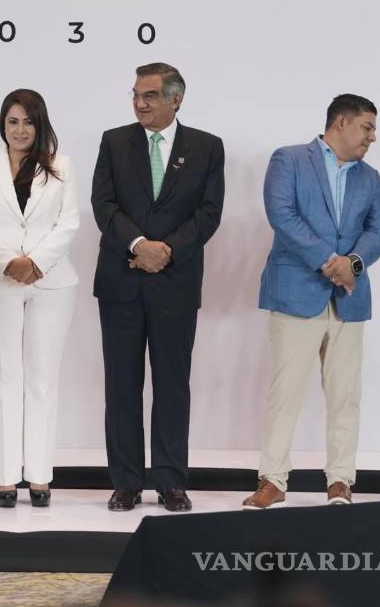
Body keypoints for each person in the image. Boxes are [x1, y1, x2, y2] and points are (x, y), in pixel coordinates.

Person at [242, 94, 380, 509]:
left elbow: (378, 230)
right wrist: (330, 263)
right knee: (285, 391)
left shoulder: (370, 177)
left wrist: (354, 263)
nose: (372, 137)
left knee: (346, 394)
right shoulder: (288, 160)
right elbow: (282, 215)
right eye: (367, 127)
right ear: (340, 123)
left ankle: (340, 481)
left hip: (350, 299)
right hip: (295, 292)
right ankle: (273, 480)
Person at [91, 62, 224, 512]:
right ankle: (126, 481)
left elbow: (209, 213)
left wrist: (166, 249)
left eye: (149, 95)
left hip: (176, 282)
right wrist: (138, 243)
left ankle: (170, 481)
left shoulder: (207, 147)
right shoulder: (114, 141)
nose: (139, 103)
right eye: (135, 94)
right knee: (121, 386)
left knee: (172, 386)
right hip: (121, 282)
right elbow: (102, 204)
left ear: (175, 99)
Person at [0, 89, 79, 508]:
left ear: (40, 124)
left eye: (27, 121)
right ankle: (5, 478)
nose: (19, 129)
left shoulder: (62, 166)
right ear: (3, 125)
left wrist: (35, 263)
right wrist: (9, 263)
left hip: (51, 281)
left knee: (42, 381)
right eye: (12, 121)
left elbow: (69, 224)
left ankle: (40, 477)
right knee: (3, 381)